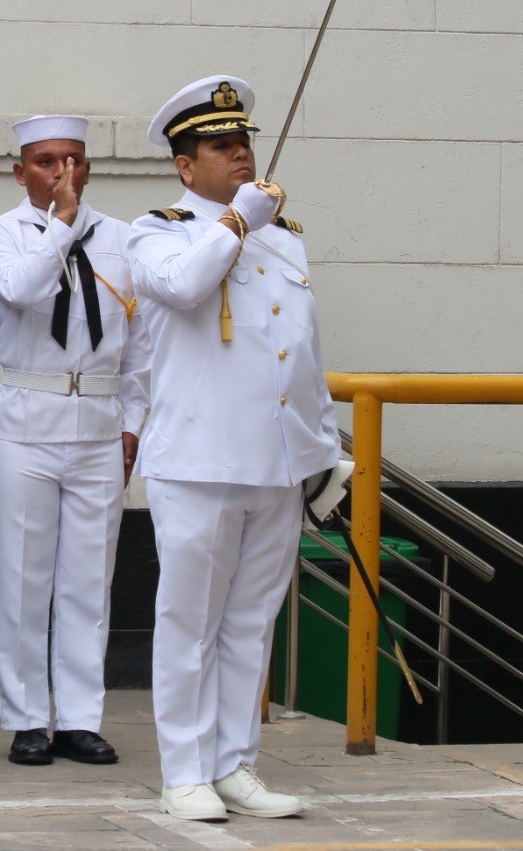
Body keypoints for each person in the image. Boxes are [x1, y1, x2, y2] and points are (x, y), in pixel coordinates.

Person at [128, 76, 340, 821]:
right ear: (186, 167)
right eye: (221, 147)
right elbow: (184, 290)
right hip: (199, 459)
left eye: (243, 143)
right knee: (190, 621)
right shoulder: (158, 232)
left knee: (252, 624)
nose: (240, 157)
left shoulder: (284, 238)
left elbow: (299, 350)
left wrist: (324, 449)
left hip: (276, 459)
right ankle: (183, 771)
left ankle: (234, 763)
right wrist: (234, 226)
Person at [0, 114, 151, 766]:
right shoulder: (0, 235)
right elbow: (22, 290)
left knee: (87, 579)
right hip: (26, 418)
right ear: (21, 172)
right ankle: (26, 717)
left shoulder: (125, 240)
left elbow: (142, 348)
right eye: (46, 162)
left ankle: (79, 717)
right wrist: (63, 224)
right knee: (23, 576)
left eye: (72, 160)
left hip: (100, 423)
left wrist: (133, 422)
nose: (61, 173)